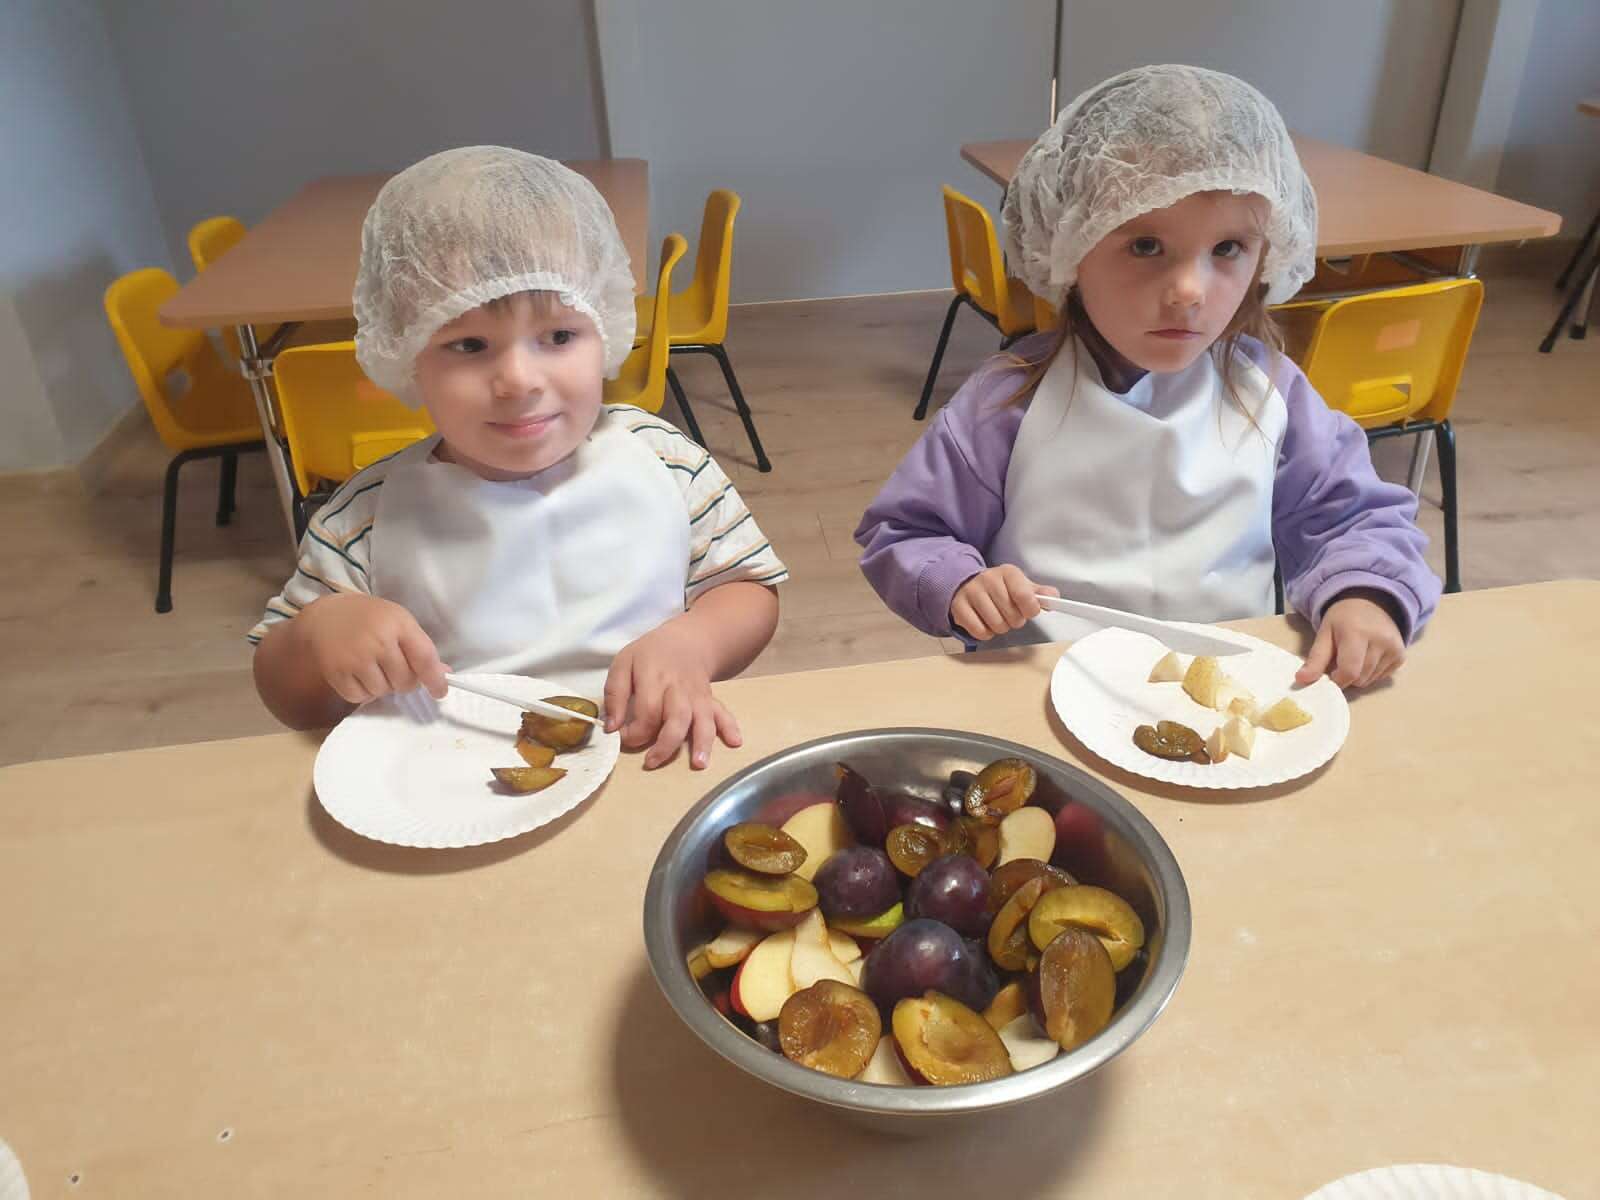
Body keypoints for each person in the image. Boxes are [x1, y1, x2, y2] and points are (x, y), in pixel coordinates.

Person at [856, 65, 1440, 690]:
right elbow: (908, 531)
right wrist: (959, 583)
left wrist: (1363, 593)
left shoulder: (1273, 392)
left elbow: (1351, 519)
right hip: (1038, 687)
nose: (1189, 290)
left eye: (1228, 249)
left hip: (1226, 692)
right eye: (1145, 246)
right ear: (1068, 247)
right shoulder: (1006, 400)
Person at [251, 147, 786, 768]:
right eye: (469, 345)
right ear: (407, 357)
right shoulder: (363, 519)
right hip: (451, 780)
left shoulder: (667, 461)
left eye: (558, 336)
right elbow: (283, 689)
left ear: (606, 330)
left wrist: (696, 642)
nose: (519, 380)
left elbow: (749, 589)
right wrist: (320, 635)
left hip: (650, 754)